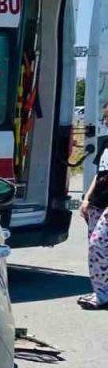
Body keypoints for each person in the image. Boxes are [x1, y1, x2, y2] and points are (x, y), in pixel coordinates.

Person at [78, 101, 108, 310]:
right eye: (106, 117)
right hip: (98, 201)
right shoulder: (105, 142)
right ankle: (101, 290)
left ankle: (103, 294)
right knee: (95, 249)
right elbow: (99, 174)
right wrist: (87, 199)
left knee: (98, 244)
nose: (106, 121)